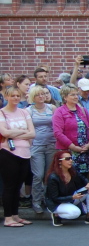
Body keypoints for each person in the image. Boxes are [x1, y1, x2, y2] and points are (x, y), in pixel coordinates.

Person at [0, 86, 35, 227]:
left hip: (25, 153)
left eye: (17, 96)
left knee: (18, 186)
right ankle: (8, 217)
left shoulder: (24, 112)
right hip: (9, 153)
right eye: (12, 96)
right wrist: (22, 131)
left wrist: (15, 132)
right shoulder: (2, 113)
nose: (15, 98)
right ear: (7, 97)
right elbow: (5, 133)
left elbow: (32, 133)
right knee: (9, 186)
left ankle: (16, 215)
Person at [53, 84, 89, 181]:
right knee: (69, 178)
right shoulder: (59, 112)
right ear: (65, 97)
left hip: (84, 151)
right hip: (68, 151)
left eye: (76, 94)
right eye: (72, 95)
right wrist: (73, 147)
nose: (76, 97)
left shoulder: (82, 110)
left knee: (83, 179)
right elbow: (58, 133)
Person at [45, 151, 89, 226]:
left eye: (71, 158)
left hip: (71, 198)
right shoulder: (53, 177)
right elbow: (54, 198)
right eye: (67, 159)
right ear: (59, 162)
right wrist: (72, 197)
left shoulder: (72, 170)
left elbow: (83, 179)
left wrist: (88, 183)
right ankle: (56, 214)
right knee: (75, 213)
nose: (71, 160)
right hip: (57, 203)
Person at [26, 85, 57, 214]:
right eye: (38, 94)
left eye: (43, 94)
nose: (42, 96)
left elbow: (57, 125)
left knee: (48, 175)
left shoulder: (52, 108)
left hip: (51, 145)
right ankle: (36, 201)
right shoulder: (29, 111)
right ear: (33, 97)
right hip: (36, 146)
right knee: (38, 175)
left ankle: (47, 199)